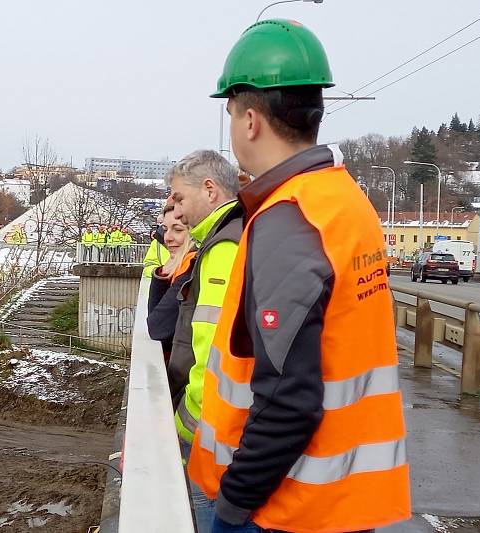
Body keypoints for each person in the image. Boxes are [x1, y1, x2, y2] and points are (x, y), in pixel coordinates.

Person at [187, 19, 411, 533]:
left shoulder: (288, 217)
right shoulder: (344, 201)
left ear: (249, 119)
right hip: (341, 503)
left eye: (229, 112)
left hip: (282, 511)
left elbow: (289, 400)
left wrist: (232, 506)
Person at [166, 149, 243, 532]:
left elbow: (214, 350)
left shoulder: (224, 247)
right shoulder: (230, 236)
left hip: (213, 432)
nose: (174, 211)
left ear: (210, 190)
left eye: (179, 198)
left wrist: (186, 424)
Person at [147, 203, 194, 362]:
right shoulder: (183, 265)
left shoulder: (191, 267)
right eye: (165, 229)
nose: (167, 238)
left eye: (178, 230)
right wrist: (164, 272)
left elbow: (157, 326)